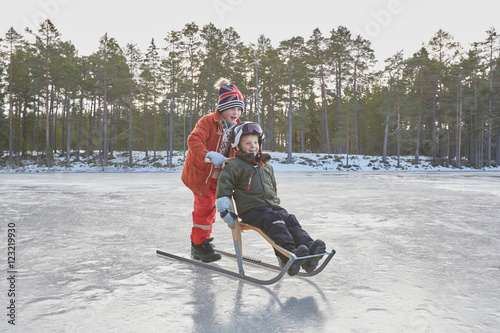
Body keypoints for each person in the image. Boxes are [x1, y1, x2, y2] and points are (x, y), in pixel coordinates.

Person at [215, 122, 326, 276]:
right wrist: (225, 209)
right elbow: (224, 187)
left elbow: (272, 187)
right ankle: (288, 254)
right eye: (248, 143)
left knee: (290, 219)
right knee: (275, 221)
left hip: (270, 207)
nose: (253, 146)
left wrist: (274, 198)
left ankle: (309, 252)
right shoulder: (235, 165)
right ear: (238, 146)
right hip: (252, 210)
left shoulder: (266, 166)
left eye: (256, 142)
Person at [181, 78, 244, 263]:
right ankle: (199, 245)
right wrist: (208, 154)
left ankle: (203, 241)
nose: (236, 112)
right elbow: (194, 140)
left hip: (221, 176)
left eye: (239, 109)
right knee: (205, 207)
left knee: (220, 206)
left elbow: (242, 149)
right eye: (232, 108)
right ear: (222, 108)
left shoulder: (238, 127)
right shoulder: (208, 121)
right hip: (201, 175)